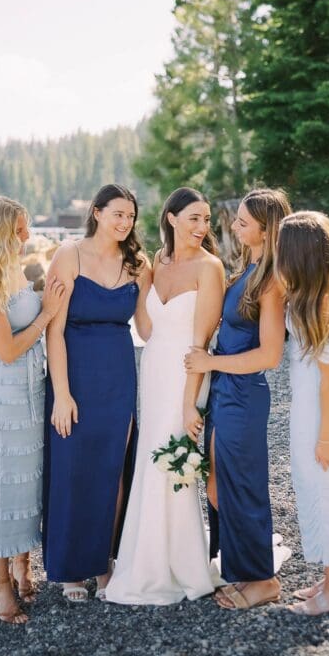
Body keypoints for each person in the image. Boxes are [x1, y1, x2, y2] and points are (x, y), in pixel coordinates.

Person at [105, 187, 224, 605]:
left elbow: (201, 343)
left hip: (186, 376)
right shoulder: (158, 261)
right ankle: (142, 557)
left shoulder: (210, 268)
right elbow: (148, 328)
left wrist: (191, 402)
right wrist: (141, 285)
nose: (202, 227)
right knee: (148, 460)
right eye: (194, 218)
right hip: (153, 369)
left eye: (206, 220)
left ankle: (181, 561)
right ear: (171, 219)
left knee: (173, 460)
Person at [184, 188, 293, 610]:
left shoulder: (271, 281)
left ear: (267, 231)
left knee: (242, 487)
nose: (233, 226)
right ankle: (238, 568)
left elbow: (270, 355)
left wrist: (210, 363)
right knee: (215, 485)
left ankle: (263, 580)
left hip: (244, 393)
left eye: (243, 223)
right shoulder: (248, 268)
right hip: (224, 391)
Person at [0, 196, 66, 623]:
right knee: (9, 484)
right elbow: (5, 351)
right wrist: (47, 315)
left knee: (33, 477)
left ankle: (25, 564)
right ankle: (1, 583)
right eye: (20, 229)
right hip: (8, 391)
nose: (27, 236)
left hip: (34, 384)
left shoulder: (15, 269)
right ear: (1, 231)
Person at [43, 184, 146, 602]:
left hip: (119, 375)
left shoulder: (138, 262)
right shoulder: (69, 255)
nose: (124, 222)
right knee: (73, 468)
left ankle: (105, 563)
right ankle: (70, 570)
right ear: (97, 212)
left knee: (113, 470)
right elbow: (54, 329)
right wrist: (62, 394)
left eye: (131, 216)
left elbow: (150, 325)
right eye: (117, 213)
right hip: (75, 374)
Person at [275, 211, 329, 615]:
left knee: (323, 481)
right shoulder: (309, 290)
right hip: (316, 390)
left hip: (324, 395)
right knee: (310, 479)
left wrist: (326, 437)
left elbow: (328, 380)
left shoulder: (324, 300)